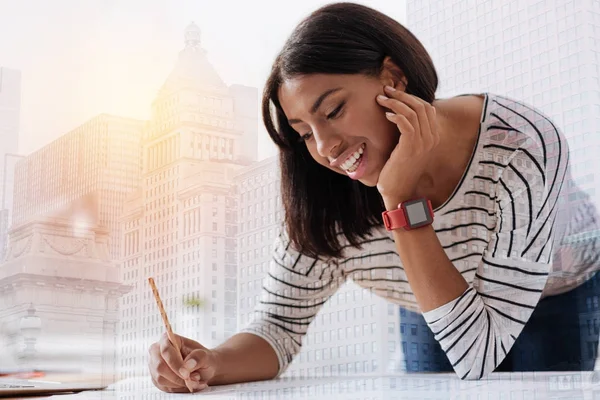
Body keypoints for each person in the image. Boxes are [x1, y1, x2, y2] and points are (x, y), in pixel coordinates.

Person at [147, 2, 600, 392]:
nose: (325, 147)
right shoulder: (323, 197)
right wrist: (213, 363)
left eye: (334, 110)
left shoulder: (522, 144)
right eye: (305, 132)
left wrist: (401, 203)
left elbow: (478, 354)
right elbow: (279, 326)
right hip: (434, 301)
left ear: (394, 78)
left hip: (554, 291)